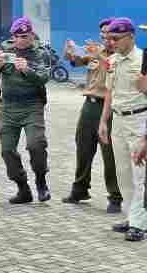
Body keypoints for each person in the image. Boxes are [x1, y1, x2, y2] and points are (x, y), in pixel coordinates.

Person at [0, 17, 51, 204]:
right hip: (8, 108)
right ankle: (23, 187)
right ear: (13, 37)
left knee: (36, 144)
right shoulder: (6, 50)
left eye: (25, 36)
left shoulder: (40, 53)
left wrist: (26, 70)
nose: (21, 40)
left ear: (31, 35)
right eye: (17, 36)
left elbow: (44, 77)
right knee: (7, 150)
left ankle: (41, 180)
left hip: (32, 106)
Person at [61, 18, 122, 213]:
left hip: (111, 108)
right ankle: (79, 190)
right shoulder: (96, 51)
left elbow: (115, 69)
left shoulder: (123, 55)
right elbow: (76, 61)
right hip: (90, 106)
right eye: (102, 33)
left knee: (110, 154)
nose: (105, 37)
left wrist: (99, 56)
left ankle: (115, 196)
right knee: (83, 148)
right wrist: (70, 50)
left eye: (108, 33)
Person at [99, 18, 147, 241]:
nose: (111, 42)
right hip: (118, 121)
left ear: (131, 36)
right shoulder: (112, 61)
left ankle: (140, 223)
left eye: (116, 38)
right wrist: (103, 121)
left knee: (140, 175)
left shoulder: (143, 59)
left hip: (139, 121)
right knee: (123, 174)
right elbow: (109, 93)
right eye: (109, 38)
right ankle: (132, 216)